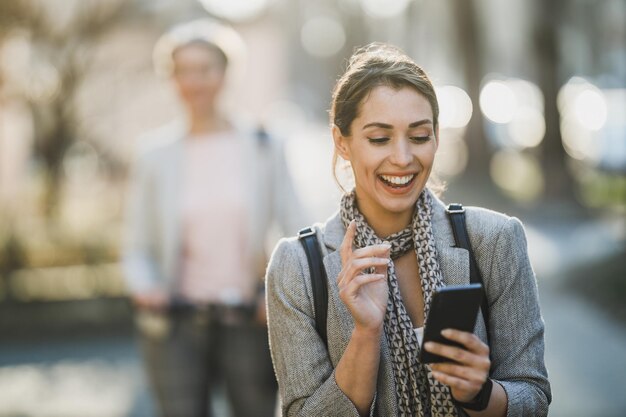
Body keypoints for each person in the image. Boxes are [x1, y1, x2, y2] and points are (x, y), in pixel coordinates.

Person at [266, 43, 551, 417]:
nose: (402, 158)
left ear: (436, 136)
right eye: (379, 138)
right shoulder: (298, 267)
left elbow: (533, 397)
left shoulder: (494, 240)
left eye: (418, 137)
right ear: (342, 142)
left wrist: (480, 393)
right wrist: (366, 334)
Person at [123, 19, 304, 417]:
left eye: (204, 69)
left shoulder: (264, 145)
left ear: (225, 74)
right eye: (182, 71)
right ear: (170, 79)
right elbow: (136, 248)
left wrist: (276, 298)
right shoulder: (153, 156)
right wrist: (147, 287)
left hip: (248, 320)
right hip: (176, 325)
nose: (193, 81)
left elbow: (298, 232)